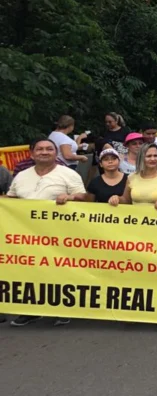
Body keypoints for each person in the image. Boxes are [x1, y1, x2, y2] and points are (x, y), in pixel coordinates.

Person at [6, 138, 86, 327]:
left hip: (59, 235)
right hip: (26, 236)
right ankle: (31, 310)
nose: (44, 152)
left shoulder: (68, 174)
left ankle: (62, 308)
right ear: (32, 153)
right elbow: (10, 200)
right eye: (40, 149)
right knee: (28, 271)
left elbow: (85, 198)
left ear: (56, 153)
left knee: (59, 270)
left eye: (49, 149)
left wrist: (71, 197)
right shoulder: (21, 176)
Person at [113, 143, 157, 210]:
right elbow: (126, 200)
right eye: (149, 156)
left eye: (155, 156)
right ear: (141, 158)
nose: (153, 159)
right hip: (136, 218)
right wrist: (117, 198)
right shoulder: (132, 177)